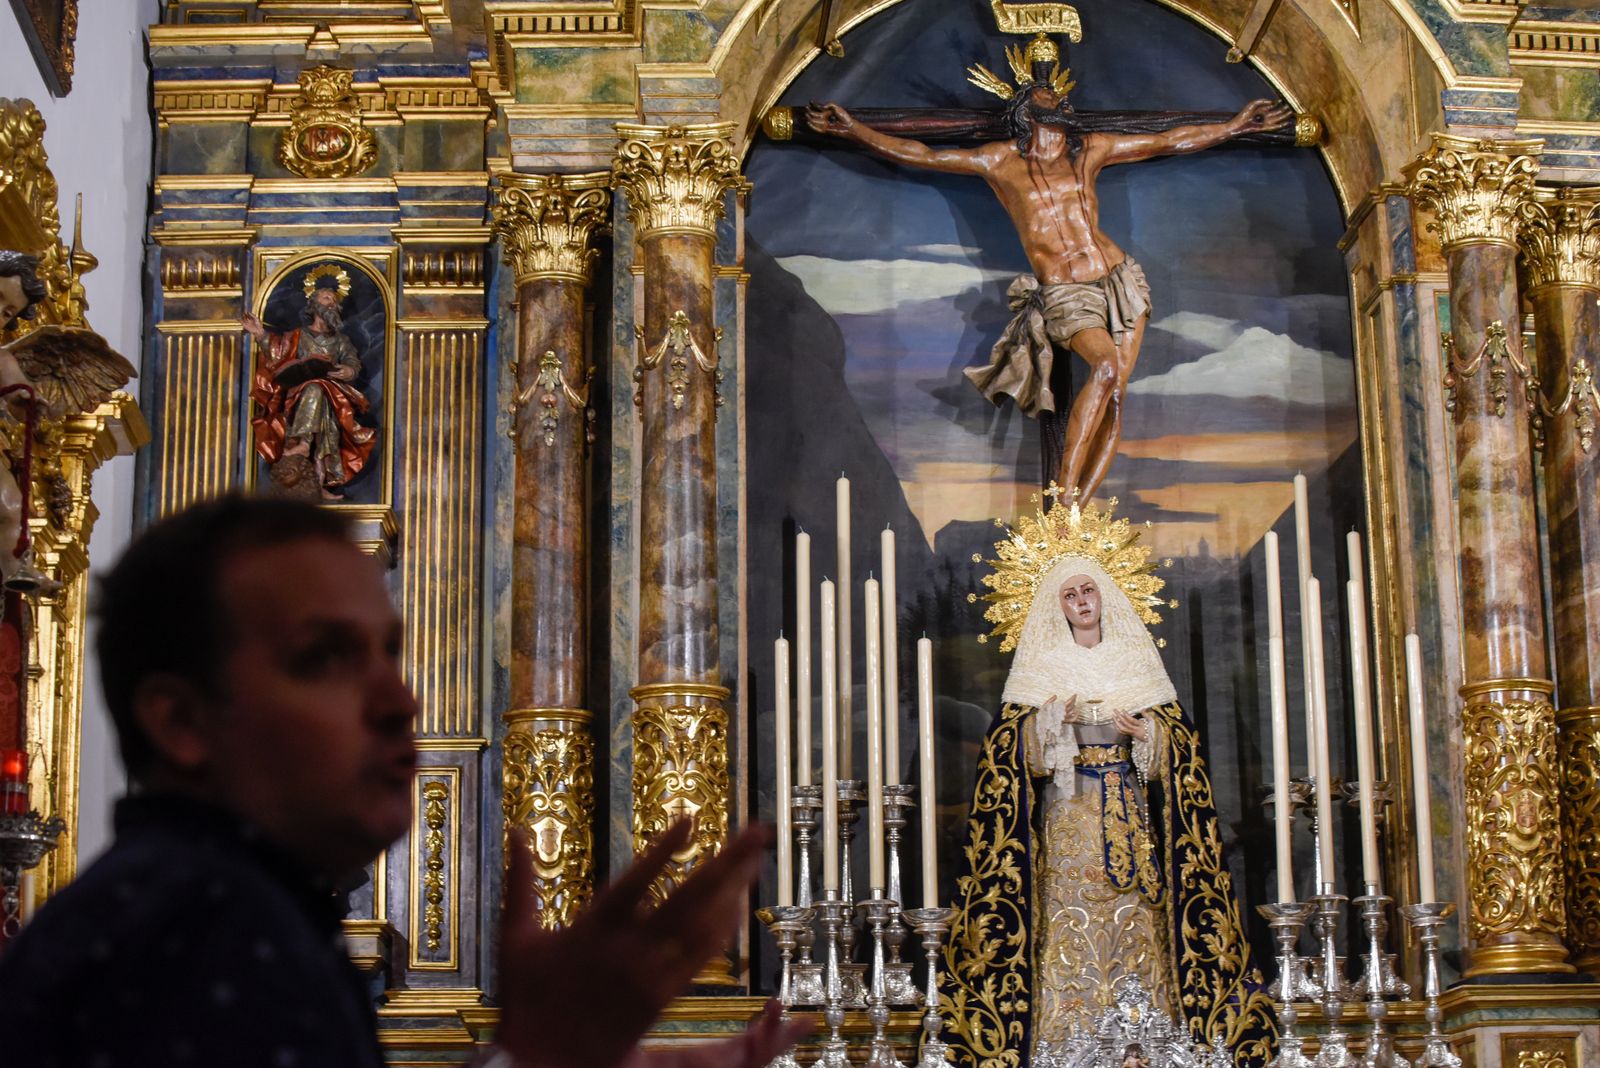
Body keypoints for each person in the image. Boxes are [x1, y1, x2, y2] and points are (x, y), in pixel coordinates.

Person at [0, 496, 811, 1068]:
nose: (400, 701)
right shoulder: (196, 936)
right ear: (182, 721)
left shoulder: (219, 906)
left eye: (389, 652)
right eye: (325, 658)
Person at [805, 58, 1290, 503]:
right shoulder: (999, 161)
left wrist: (1235, 126)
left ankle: (1077, 513)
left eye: (1060, 95)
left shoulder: (1091, 151)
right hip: (1067, 293)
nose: (1058, 98)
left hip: (1119, 278)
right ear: (1025, 110)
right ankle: (1062, 500)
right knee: (1104, 370)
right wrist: (856, 131)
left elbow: (1168, 140)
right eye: (1046, 95)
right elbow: (923, 154)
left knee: (1115, 396)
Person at [943, 502, 1274, 1067]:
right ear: (1056, 606)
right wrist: (1049, 723)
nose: (1081, 602)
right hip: (1069, 813)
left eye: (1088, 590)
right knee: (1066, 910)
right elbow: (1006, 750)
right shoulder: (1042, 665)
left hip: (1129, 812)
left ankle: (1147, 1042)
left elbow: (1180, 749)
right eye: (1069, 595)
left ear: (1105, 596)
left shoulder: (1134, 661)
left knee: (1138, 911)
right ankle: (1061, 1042)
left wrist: (1148, 735)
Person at [244, 282, 377, 500]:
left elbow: (353, 362)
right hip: (297, 395)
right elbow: (278, 354)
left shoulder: (341, 341)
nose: (332, 302)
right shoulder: (298, 335)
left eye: (334, 300)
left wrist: (349, 370)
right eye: (326, 298)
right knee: (314, 389)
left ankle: (318, 478)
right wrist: (260, 333)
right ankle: (305, 445)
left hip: (334, 395)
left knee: (326, 425)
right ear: (314, 305)